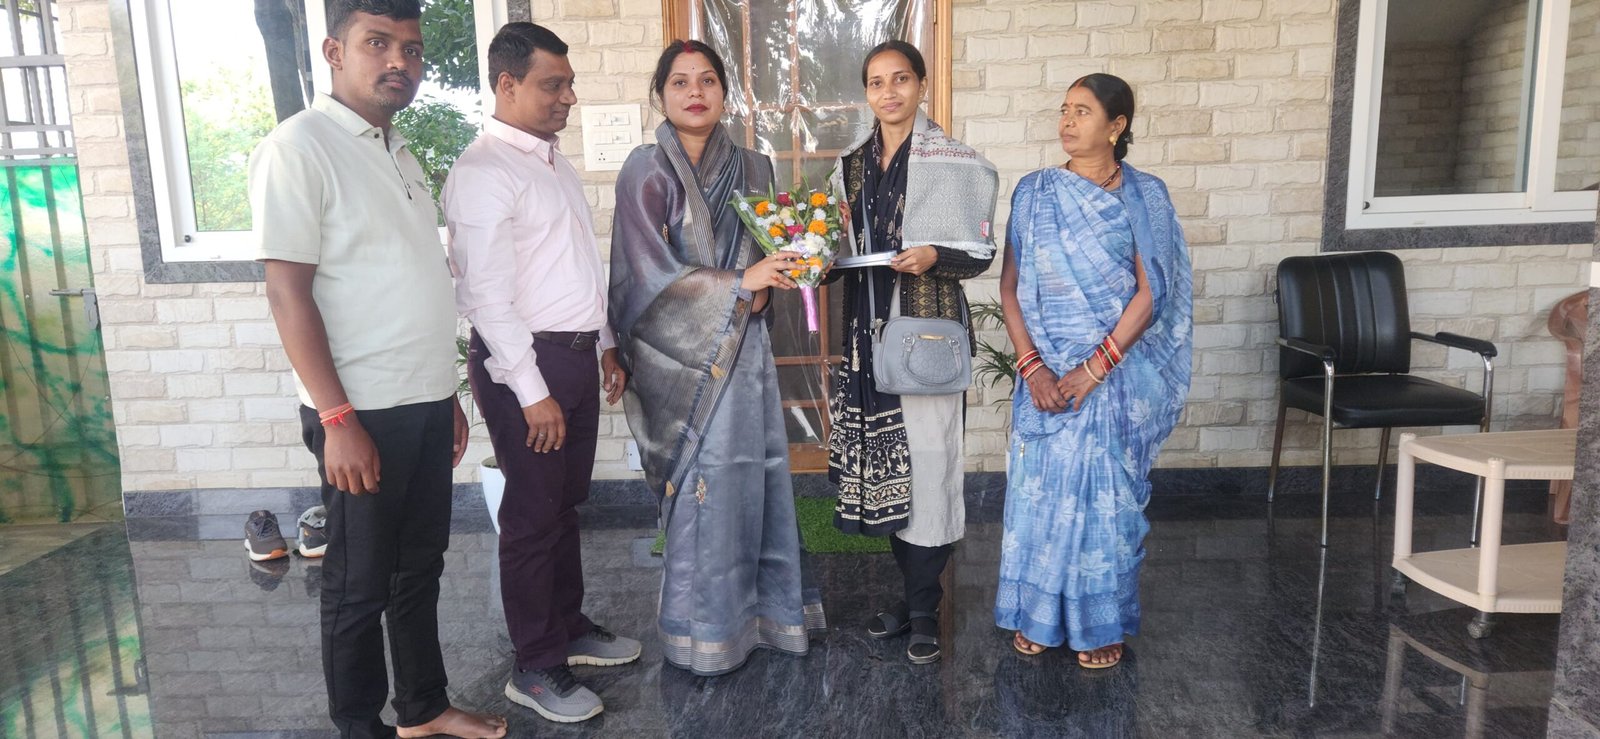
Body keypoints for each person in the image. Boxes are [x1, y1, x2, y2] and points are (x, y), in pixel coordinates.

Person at [251, 1, 507, 737]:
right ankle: (358, 725)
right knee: (357, 582)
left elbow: (406, 281)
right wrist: (337, 419)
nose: (400, 61)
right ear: (334, 51)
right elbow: (287, 292)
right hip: (358, 410)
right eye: (378, 43)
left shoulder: (397, 150)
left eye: (412, 48)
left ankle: (423, 708)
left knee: (418, 565)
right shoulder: (299, 147)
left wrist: (444, 392)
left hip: (420, 400)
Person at [608, 40, 826, 676]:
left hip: (745, 346)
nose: (695, 92)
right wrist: (738, 284)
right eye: (680, 82)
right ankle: (702, 631)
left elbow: (769, 253)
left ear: (725, 93)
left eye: (707, 80)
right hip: (682, 358)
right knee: (705, 481)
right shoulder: (645, 169)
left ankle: (767, 616)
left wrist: (774, 280)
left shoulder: (755, 166)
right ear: (661, 95)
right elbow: (644, 275)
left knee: (753, 473)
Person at [443, 22, 640, 724]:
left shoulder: (551, 162)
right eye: (552, 85)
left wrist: (606, 343)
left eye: (569, 84)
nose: (569, 98)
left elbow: (575, 267)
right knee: (530, 516)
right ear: (507, 84)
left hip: (574, 354)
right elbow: (486, 298)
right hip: (524, 363)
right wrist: (531, 392)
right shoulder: (483, 172)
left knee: (563, 505)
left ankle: (568, 626)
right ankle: (533, 664)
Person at [993, 73, 1193, 670]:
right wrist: (1032, 367)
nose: (1067, 121)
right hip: (1043, 375)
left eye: (1082, 111)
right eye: (1064, 110)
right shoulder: (1034, 192)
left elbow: (1153, 291)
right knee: (1040, 500)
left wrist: (1094, 368)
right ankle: (1037, 616)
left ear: (1117, 125)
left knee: (1106, 506)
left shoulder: (1145, 194)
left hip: (1111, 379)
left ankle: (1098, 623)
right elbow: (1010, 287)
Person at [825, 40, 998, 665]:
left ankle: (926, 608)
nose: (889, 92)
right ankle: (911, 596)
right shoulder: (850, 166)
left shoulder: (955, 162)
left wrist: (934, 255)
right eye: (876, 82)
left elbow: (979, 255)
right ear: (866, 93)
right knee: (889, 473)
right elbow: (833, 245)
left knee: (930, 466)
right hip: (865, 337)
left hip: (925, 336)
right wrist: (812, 258)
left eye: (900, 79)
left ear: (922, 85)